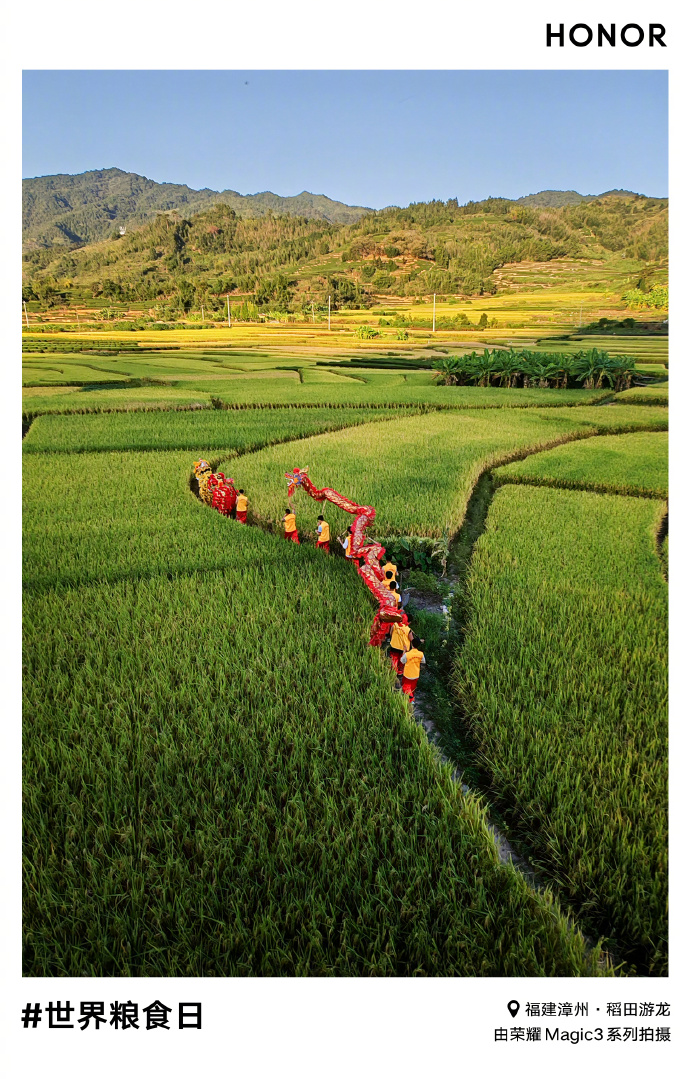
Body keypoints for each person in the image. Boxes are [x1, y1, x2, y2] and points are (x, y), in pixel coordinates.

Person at [400, 637, 426, 703]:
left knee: (405, 687)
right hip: (416, 674)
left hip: (407, 674)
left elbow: (402, 661)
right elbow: (423, 662)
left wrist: (404, 651)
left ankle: (411, 700)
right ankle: (409, 699)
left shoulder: (407, 654)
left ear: (412, 644)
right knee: (412, 688)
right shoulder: (421, 654)